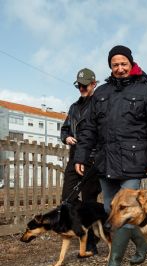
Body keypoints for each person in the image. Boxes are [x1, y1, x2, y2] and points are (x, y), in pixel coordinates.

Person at [74, 45, 147, 266]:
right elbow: (88, 129)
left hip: (134, 161)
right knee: (110, 208)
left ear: (131, 63)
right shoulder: (102, 93)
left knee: (125, 210)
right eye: (115, 64)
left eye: (123, 63)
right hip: (106, 162)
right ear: (110, 67)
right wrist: (81, 155)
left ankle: (114, 263)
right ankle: (142, 243)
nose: (120, 68)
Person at [60, 68, 101, 254]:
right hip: (75, 154)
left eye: (85, 85)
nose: (82, 88)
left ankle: (91, 241)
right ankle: (90, 229)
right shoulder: (74, 107)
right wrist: (66, 137)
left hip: (93, 157)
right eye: (79, 85)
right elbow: (65, 128)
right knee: (67, 198)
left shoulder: (100, 104)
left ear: (94, 84)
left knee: (89, 199)